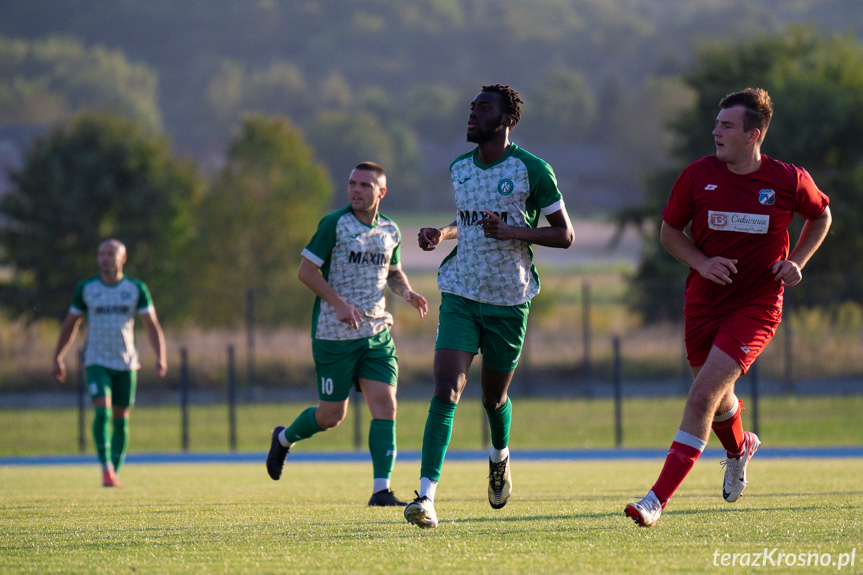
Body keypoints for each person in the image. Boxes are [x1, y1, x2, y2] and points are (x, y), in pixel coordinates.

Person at [625, 88, 832, 527]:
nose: (715, 131)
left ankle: (654, 501)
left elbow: (821, 216)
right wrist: (702, 262)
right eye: (717, 124)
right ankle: (739, 449)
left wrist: (796, 261)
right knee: (719, 401)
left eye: (726, 125)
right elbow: (669, 232)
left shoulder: (789, 180)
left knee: (701, 395)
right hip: (703, 304)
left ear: (753, 135)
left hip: (757, 306)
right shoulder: (697, 176)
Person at [403, 84, 574, 529]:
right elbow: (469, 224)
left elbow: (565, 235)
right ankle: (425, 497)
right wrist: (441, 234)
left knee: (493, 397)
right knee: (446, 389)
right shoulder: (460, 168)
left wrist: (515, 232)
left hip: (508, 300)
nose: (472, 115)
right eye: (472, 108)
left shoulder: (531, 169)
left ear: (506, 120)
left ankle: (499, 458)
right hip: (460, 291)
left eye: (483, 109)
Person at [266, 161, 428, 507]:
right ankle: (283, 438)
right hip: (334, 335)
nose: (356, 190)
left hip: (376, 332)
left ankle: (381, 491)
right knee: (331, 417)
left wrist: (408, 293)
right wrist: (338, 304)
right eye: (352, 183)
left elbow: (393, 273)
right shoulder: (334, 225)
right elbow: (306, 272)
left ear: (381, 192)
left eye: (365, 185)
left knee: (385, 404)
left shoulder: (390, 231)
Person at [52, 239, 168, 488]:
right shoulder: (87, 288)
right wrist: (58, 356)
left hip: (126, 363)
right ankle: (106, 469)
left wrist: (161, 357)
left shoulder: (136, 289)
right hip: (96, 360)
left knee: (121, 420)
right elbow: (71, 324)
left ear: (122, 258)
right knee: (102, 412)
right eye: (101, 254)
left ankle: (113, 472)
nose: (104, 258)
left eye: (110, 254)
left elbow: (151, 326)